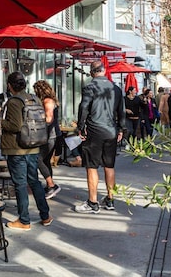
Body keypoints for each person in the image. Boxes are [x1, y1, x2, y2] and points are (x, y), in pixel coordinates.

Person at [1, 71, 52, 230]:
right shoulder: (34, 98)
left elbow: (15, 126)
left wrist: (1, 122)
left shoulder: (14, 102)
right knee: (34, 181)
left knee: (20, 184)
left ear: (9, 86)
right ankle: (45, 215)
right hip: (33, 146)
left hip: (17, 149)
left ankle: (24, 220)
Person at [74, 60, 125, 213]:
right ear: (104, 71)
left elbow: (83, 107)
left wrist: (80, 127)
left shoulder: (90, 87)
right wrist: (121, 129)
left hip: (95, 131)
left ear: (91, 73)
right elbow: (121, 111)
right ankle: (110, 200)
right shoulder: (115, 89)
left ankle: (93, 202)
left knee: (92, 166)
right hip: (111, 131)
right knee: (109, 166)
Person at [33, 80, 62, 199]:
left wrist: (36, 120)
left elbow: (49, 119)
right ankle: (49, 185)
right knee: (45, 160)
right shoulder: (51, 100)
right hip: (52, 135)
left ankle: (52, 185)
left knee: (37, 159)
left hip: (49, 136)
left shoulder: (48, 101)